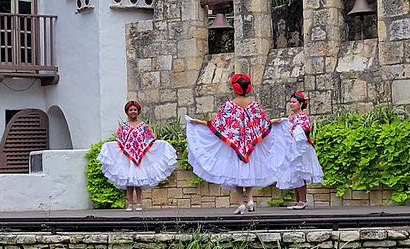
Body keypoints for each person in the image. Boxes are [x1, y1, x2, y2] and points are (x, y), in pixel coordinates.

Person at [185, 73, 286, 214]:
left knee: (236, 173)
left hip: (235, 146)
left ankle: (241, 203)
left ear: (234, 88)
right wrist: (273, 122)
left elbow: (217, 125)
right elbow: (263, 124)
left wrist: (198, 122)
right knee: (248, 171)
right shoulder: (254, 105)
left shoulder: (228, 106)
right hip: (250, 145)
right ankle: (250, 199)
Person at [97, 100, 177, 211]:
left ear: (138, 111)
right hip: (127, 157)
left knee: (138, 181)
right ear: (127, 112)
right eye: (131, 110)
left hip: (140, 156)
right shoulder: (123, 127)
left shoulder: (143, 126)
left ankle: (139, 203)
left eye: (135, 109)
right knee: (129, 182)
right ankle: (130, 203)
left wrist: (159, 144)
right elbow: (119, 139)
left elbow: (149, 138)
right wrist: (110, 146)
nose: (133, 111)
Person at [275, 91, 323, 209]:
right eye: (290, 102)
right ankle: (298, 201)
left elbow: (306, 129)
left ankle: (303, 200)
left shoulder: (302, 116)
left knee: (299, 173)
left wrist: (298, 131)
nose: (291, 104)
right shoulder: (291, 117)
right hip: (293, 148)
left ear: (300, 104)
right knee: (294, 173)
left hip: (301, 149)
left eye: (294, 102)